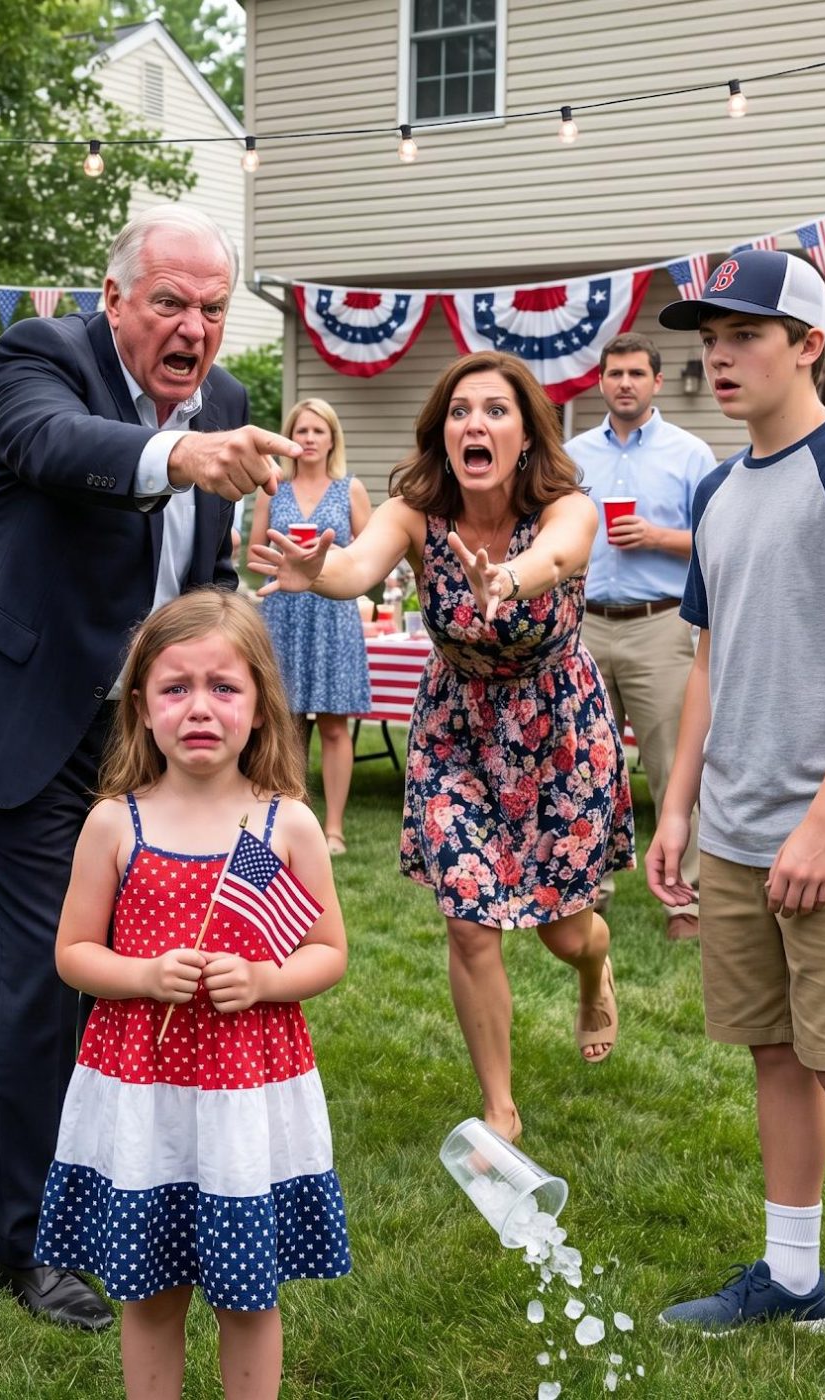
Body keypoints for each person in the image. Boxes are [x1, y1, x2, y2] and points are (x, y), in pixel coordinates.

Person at [0, 203, 300, 1329]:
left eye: (212, 307)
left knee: (134, 967)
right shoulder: (40, 356)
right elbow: (55, 447)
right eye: (169, 302)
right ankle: (33, 1246)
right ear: (113, 298)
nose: (194, 328)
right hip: (16, 715)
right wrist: (179, 453)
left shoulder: (224, 402)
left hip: (132, 736)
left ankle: (122, 1192)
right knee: (44, 977)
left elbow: (194, 573)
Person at [254, 350, 633, 1145]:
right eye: (460, 411)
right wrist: (316, 571)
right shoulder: (416, 512)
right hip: (456, 732)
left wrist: (509, 579)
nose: (474, 424)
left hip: (557, 732)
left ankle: (595, 969)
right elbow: (356, 566)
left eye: (495, 410)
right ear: (442, 432)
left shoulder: (568, 506)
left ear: (525, 435)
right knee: (469, 920)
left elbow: (559, 554)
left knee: (566, 932)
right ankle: (500, 1107)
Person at [646, 251, 825, 1398]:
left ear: (805, 344)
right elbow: (707, 659)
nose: (719, 355)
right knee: (775, 1053)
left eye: (743, 334)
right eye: (709, 337)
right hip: (736, 828)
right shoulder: (713, 489)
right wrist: (676, 805)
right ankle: (793, 1277)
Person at [36, 589, 349, 1397]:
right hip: (145, 1091)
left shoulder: (287, 824)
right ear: (141, 707)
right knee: (150, 1289)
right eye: (175, 688)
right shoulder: (115, 823)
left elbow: (328, 952)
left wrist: (267, 980)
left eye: (224, 687)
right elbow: (73, 953)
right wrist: (142, 975)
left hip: (247, 1089)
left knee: (248, 1294)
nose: (200, 707)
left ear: (260, 706)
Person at [565, 332, 716, 942]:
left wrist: (655, 536)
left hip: (661, 624)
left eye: (635, 373)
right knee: (583, 764)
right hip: (584, 625)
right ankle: (585, 896)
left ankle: (687, 903)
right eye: (614, 373)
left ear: (656, 381)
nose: (624, 383)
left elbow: (715, 539)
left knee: (676, 766)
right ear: (601, 381)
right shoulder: (572, 456)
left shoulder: (690, 454)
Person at [248, 398, 371, 855]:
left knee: (335, 727)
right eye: (302, 430)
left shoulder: (350, 488)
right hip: (282, 614)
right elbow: (253, 551)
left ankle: (334, 828)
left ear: (332, 439)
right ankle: (291, 822)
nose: (310, 438)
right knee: (287, 725)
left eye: (319, 430)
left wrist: (329, 560)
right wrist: (285, 559)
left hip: (333, 616)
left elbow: (371, 557)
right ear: (290, 438)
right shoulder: (272, 488)